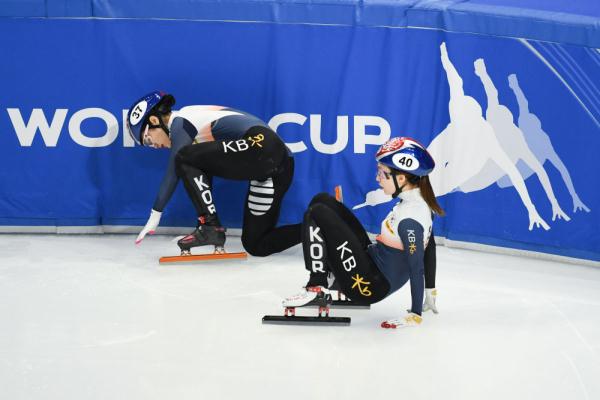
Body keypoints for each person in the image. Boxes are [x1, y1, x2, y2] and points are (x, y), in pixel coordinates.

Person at [284, 137, 444, 328]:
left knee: (316, 212)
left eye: (382, 174)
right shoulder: (419, 203)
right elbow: (430, 247)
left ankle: (316, 285)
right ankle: (329, 274)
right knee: (323, 200)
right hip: (371, 262)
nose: (377, 178)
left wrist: (415, 314)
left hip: (369, 285)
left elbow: (416, 267)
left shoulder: (409, 220)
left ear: (401, 178)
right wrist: (430, 291)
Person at [126, 91, 301, 256]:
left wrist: (156, 214)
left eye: (148, 139)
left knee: (183, 157)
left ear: (155, 120)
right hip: (280, 166)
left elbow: (174, 168)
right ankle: (315, 228)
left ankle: (210, 228)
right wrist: (202, 223)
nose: (154, 146)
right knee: (256, 244)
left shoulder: (181, 120)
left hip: (265, 147)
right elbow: (201, 181)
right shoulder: (192, 138)